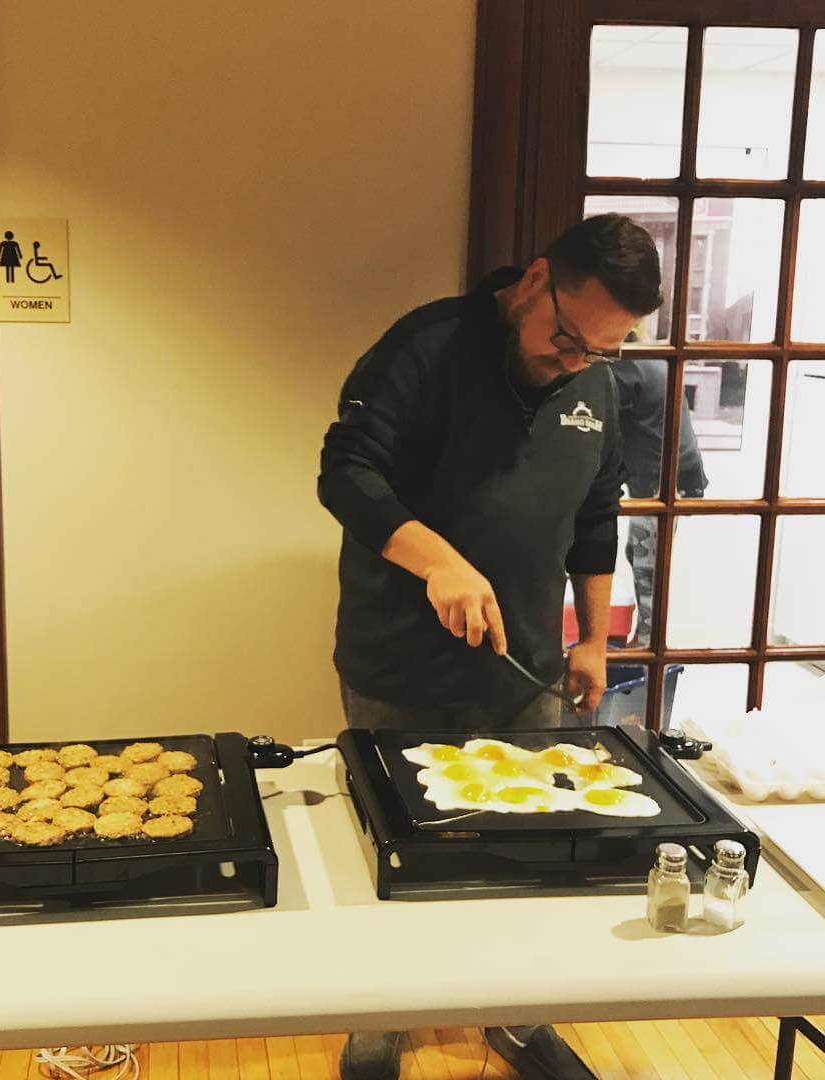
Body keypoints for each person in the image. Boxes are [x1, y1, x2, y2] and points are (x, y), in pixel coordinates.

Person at [317, 213, 661, 1080]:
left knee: (529, 854)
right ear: (536, 280)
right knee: (395, 851)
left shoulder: (598, 383)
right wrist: (438, 564)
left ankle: (513, 1017)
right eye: (567, 336)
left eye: (603, 349)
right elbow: (345, 471)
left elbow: (595, 514)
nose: (576, 360)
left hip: (529, 666)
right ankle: (378, 1026)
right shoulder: (427, 345)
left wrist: (592, 639)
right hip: (400, 657)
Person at [612, 357, 708, 647]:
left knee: (647, 567)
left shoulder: (625, 368)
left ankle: (646, 648)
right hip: (673, 475)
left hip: (657, 481)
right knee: (641, 556)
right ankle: (644, 640)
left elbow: (602, 421)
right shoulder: (657, 360)